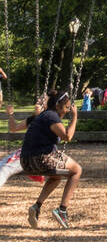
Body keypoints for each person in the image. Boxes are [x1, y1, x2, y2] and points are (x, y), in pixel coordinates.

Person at [20, 90, 82, 228]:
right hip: (40, 159)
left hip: (25, 161)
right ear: (58, 106)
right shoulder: (51, 116)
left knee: (57, 176)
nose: (67, 111)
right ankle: (62, 210)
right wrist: (75, 117)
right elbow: (67, 136)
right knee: (77, 170)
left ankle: (37, 206)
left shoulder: (43, 115)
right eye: (66, 107)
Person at [0, 100, 45, 195]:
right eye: (39, 99)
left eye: (42, 100)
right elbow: (14, 128)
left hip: (35, 156)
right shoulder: (32, 119)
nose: (38, 101)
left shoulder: (49, 120)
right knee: (1, 164)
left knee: (5, 169)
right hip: (24, 152)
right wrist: (10, 115)